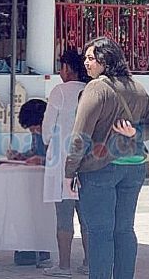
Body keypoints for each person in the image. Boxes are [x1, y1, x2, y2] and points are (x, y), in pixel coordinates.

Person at [65, 36, 149, 279]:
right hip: (134, 168)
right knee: (124, 230)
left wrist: (69, 171)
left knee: (99, 232)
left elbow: (80, 136)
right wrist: (136, 133)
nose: (86, 63)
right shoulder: (138, 88)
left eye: (90, 58)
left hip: (101, 168)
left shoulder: (97, 88)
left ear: (105, 60)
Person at [41, 50, 90, 277]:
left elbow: (47, 130)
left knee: (64, 216)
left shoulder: (60, 91)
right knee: (87, 216)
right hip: (88, 160)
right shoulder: (92, 90)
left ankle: (64, 265)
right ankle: (90, 262)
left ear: (67, 68)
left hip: (62, 160)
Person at [8, 99, 52, 269]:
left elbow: (60, 157)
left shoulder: (58, 131)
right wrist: (22, 156)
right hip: (35, 181)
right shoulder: (37, 133)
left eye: (35, 128)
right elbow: (35, 151)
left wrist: (41, 160)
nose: (35, 132)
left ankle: (42, 250)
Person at [7, 99, 48, 165]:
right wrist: (21, 156)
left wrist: (42, 161)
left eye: (37, 129)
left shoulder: (61, 134)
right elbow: (35, 152)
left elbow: (67, 162)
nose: (36, 133)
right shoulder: (36, 134)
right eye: (31, 130)